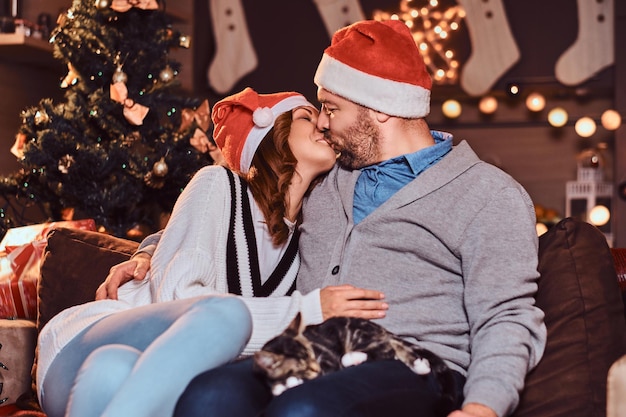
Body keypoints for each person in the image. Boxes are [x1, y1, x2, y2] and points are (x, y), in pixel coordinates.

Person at [102, 20, 546, 417]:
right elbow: (238, 212)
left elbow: (508, 316)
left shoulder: (489, 194)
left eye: (332, 109)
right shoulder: (327, 180)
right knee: (206, 397)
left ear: (382, 109)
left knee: (304, 410)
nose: (324, 124)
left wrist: (483, 409)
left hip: (414, 365)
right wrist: (147, 254)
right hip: (309, 352)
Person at [36, 87, 357, 417]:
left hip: (123, 372)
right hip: (81, 344)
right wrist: (307, 310)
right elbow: (177, 296)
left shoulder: (307, 242)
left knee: (113, 368)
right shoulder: (219, 184)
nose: (322, 124)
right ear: (272, 131)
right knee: (228, 315)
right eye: (306, 116)